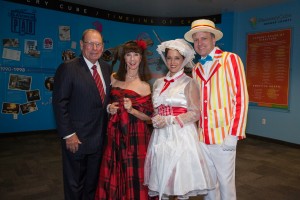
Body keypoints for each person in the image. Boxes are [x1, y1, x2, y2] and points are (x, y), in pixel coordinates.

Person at [184, 19, 249, 200]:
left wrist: (233, 135)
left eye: (204, 38)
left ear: (214, 40)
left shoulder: (231, 60)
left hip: (224, 136)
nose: (199, 43)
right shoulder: (196, 69)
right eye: (196, 40)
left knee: (226, 184)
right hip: (203, 137)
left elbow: (241, 98)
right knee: (209, 183)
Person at [144, 39, 215, 200]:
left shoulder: (189, 83)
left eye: (177, 58)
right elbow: (155, 108)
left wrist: (170, 120)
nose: (172, 62)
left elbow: (196, 112)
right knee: (164, 176)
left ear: (184, 60)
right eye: (169, 58)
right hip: (161, 135)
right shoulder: (158, 83)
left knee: (180, 179)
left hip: (181, 135)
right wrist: (156, 118)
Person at [52, 29, 112, 200]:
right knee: (75, 184)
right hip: (76, 139)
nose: (94, 48)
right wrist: (68, 134)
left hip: (100, 139)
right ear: (81, 45)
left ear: (103, 46)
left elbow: (102, 101)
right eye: (90, 44)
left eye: (98, 44)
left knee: (92, 183)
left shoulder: (107, 69)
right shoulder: (68, 68)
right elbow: (60, 103)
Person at [94, 39, 154, 200]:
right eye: (129, 55)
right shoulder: (113, 78)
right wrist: (109, 108)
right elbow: (104, 102)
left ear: (141, 58)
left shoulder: (145, 86)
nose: (132, 59)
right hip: (114, 134)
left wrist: (132, 110)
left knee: (134, 172)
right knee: (113, 169)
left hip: (136, 137)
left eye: (136, 55)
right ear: (124, 58)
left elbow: (149, 117)